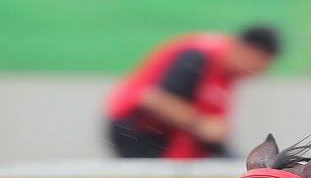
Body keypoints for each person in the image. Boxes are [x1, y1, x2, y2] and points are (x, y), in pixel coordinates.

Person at [103, 25, 280, 159]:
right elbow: (153, 99)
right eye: (259, 64)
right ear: (247, 50)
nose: (258, 72)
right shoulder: (198, 57)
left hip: (169, 136)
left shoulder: (227, 74)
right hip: (137, 130)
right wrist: (201, 124)